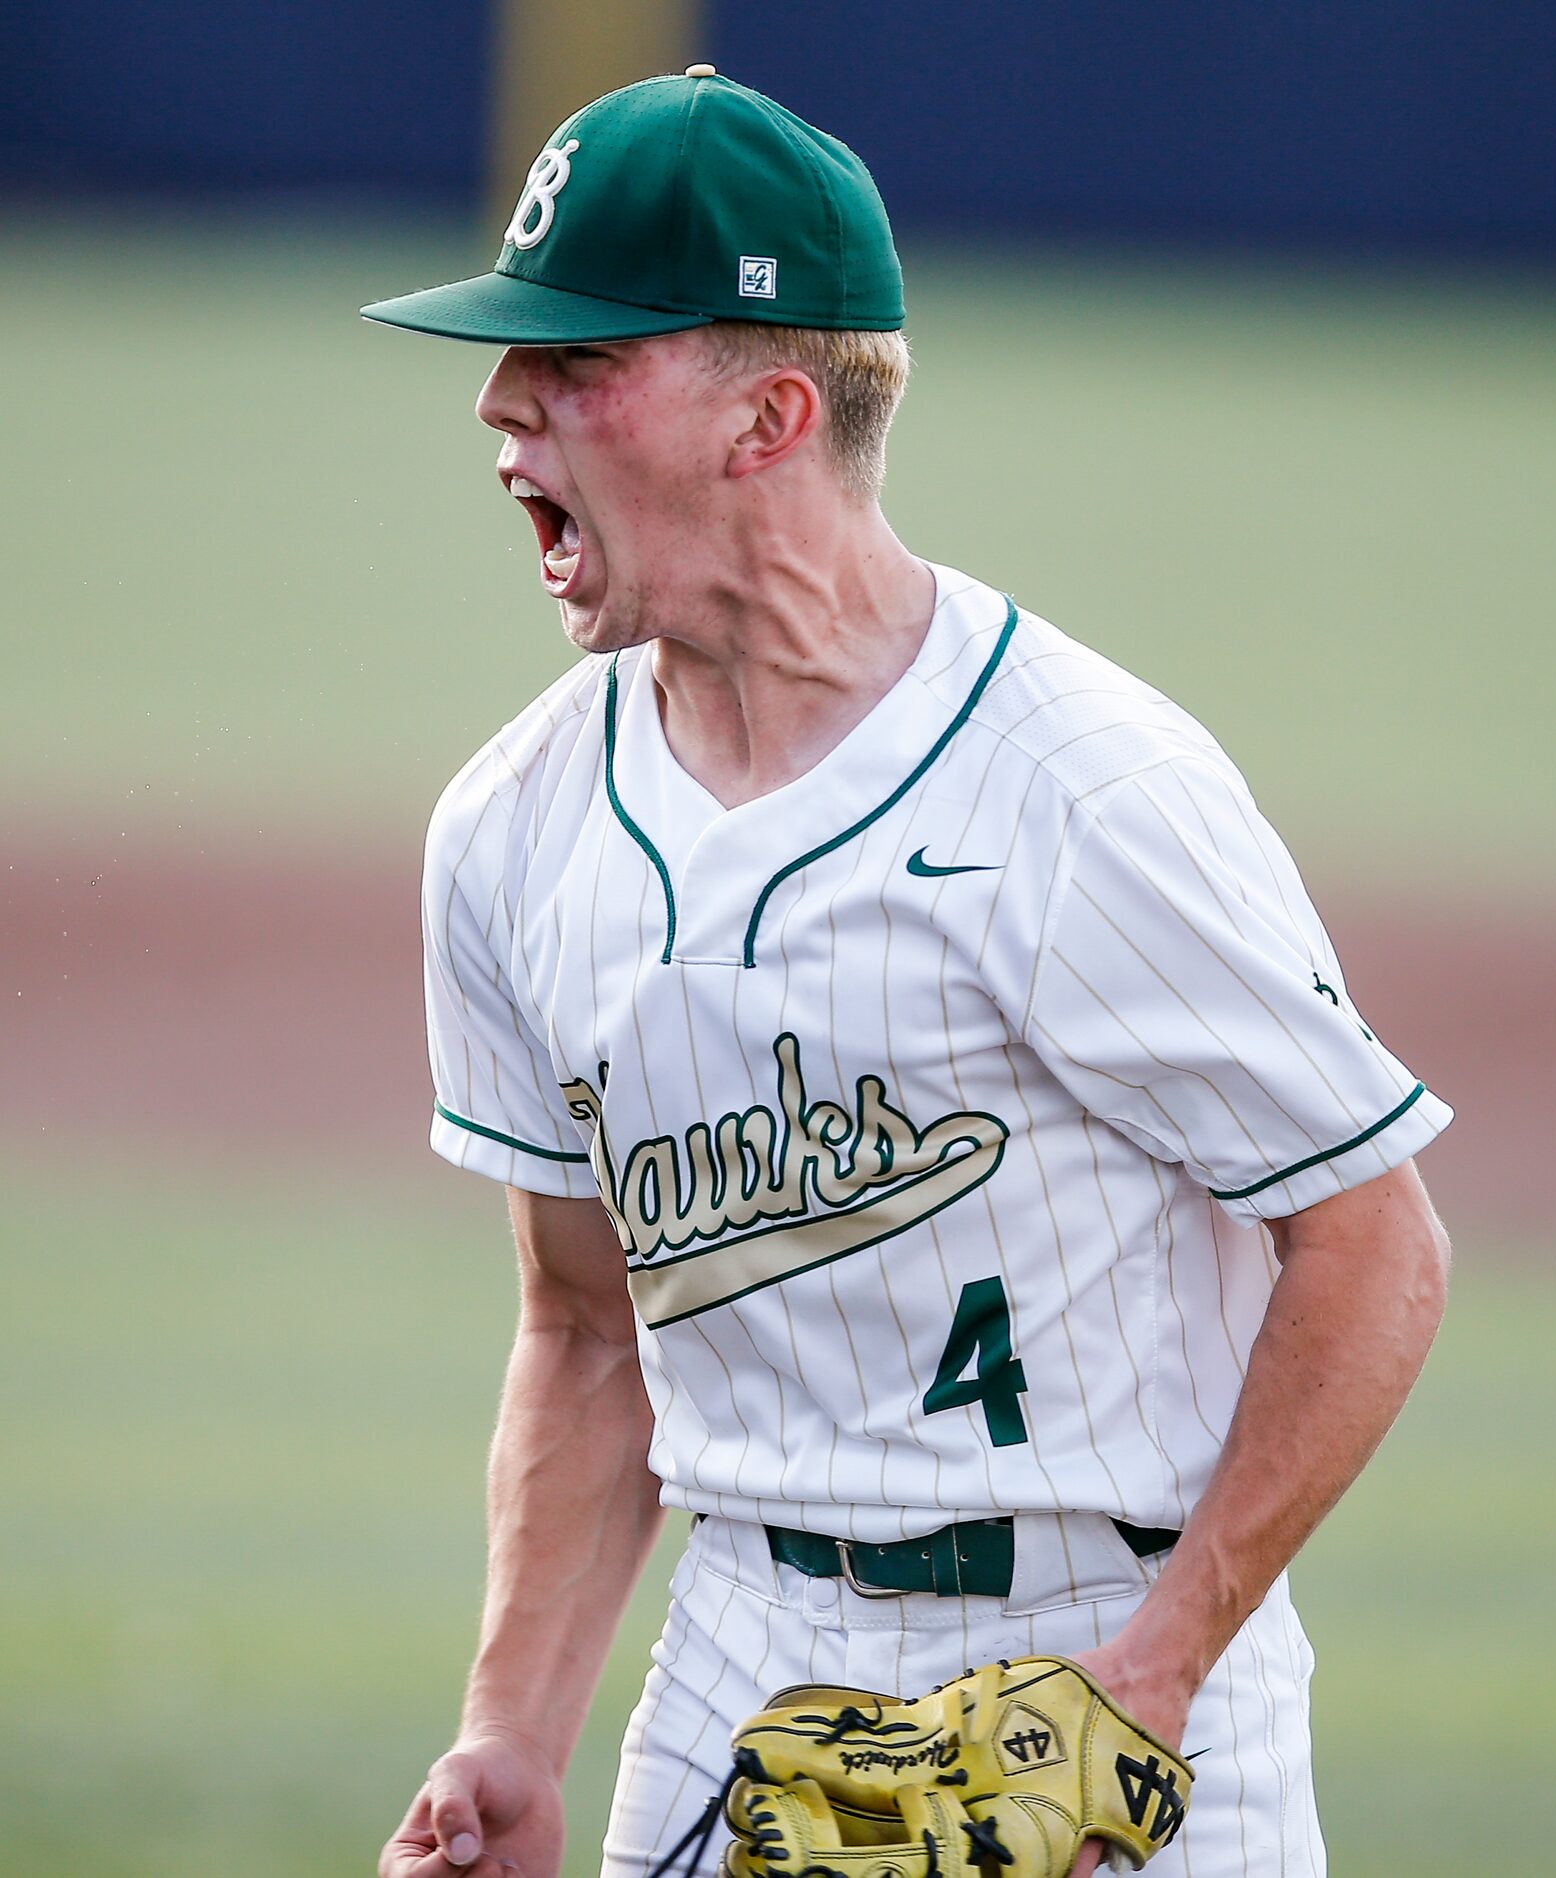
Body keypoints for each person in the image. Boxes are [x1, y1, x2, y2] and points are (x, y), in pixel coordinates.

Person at [364, 67, 1453, 1878]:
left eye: (574, 363)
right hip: (737, 1666)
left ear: (768, 412)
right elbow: (582, 1323)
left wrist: (1151, 1682)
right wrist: (514, 1730)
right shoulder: (513, 828)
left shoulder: (1083, 791)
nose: (498, 406)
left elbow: (1373, 1239)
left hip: (1118, 1652)